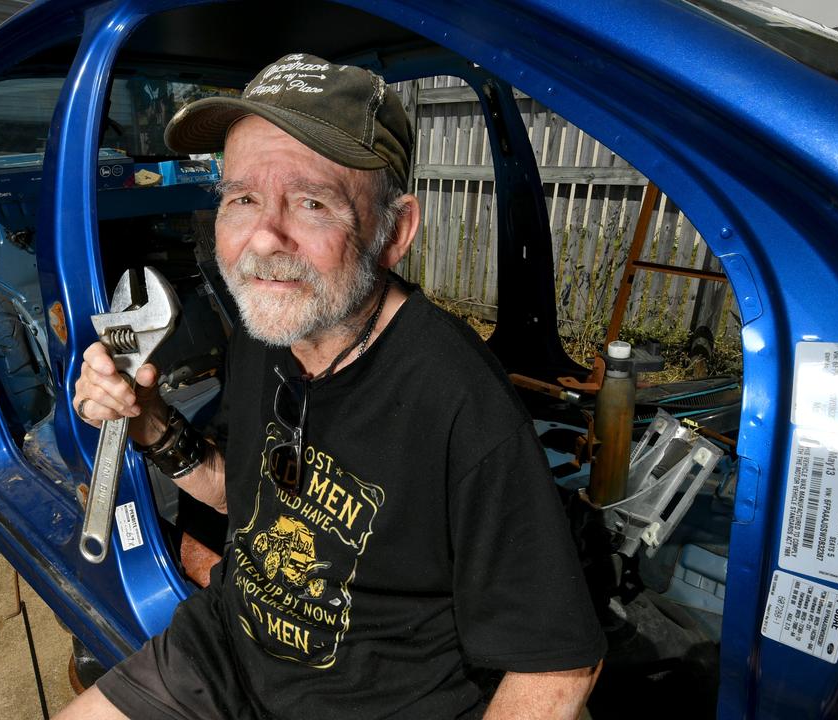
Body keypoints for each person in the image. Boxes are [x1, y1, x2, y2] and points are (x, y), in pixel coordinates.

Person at [56, 53, 605, 720]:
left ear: (395, 231)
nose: (264, 237)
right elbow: (252, 497)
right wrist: (147, 423)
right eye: (243, 198)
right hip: (223, 654)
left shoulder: (461, 402)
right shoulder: (269, 332)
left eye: (312, 202)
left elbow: (558, 666)